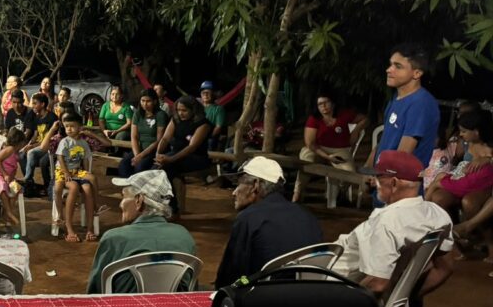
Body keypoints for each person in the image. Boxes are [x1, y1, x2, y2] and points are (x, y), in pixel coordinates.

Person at [334, 150, 454, 307]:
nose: (373, 181)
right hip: (367, 276)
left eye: (379, 177)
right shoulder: (437, 214)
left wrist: (345, 306)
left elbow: (378, 283)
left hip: (336, 280)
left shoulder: (388, 223)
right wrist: (405, 296)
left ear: (395, 183)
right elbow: (445, 267)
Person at [214, 157, 323, 288]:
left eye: (238, 184)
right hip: (310, 297)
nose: (234, 192)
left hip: (266, 301)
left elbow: (231, 278)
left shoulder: (248, 218)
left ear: (255, 185)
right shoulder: (307, 216)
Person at [87, 170, 197, 293]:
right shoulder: (184, 236)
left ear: (139, 200)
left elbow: (95, 292)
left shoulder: (114, 238)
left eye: (124, 196)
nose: (120, 204)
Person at [375, 43, 441, 170]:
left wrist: (384, 179)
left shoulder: (421, 103)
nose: (389, 70)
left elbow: (403, 154)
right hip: (382, 180)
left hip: (400, 184)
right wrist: (368, 171)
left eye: (398, 66)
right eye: (391, 64)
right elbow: (384, 141)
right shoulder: (396, 98)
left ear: (416, 73)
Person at [426, 110, 493, 214]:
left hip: (477, 184)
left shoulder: (489, 147)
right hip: (462, 178)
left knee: (438, 184)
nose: (461, 134)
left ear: (476, 132)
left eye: (464, 131)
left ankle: (422, 210)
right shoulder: (467, 143)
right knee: (438, 194)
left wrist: (487, 159)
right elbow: (454, 158)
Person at [54, 112, 97, 243]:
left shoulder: (83, 143)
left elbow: (85, 161)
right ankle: (69, 228)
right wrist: (66, 173)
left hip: (77, 172)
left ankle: (90, 227)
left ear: (80, 127)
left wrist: (84, 175)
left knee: (89, 186)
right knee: (73, 187)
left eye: (72, 126)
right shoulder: (64, 141)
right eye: (67, 126)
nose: (69, 129)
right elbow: (60, 157)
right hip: (64, 171)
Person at [155, 95, 212, 185]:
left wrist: (171, 159)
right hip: (175, 153)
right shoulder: (176, 119)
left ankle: (170, 197)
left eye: (184, 110)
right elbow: (165, 138)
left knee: (168, 168)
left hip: (196, 157)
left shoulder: (203, 124)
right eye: (178, 110)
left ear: (193, 110)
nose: (180, 113)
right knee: (156, 167)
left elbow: (192, 147)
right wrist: (158, 153)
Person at [299, 93, 365, 171]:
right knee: (306, 162)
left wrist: (355, 131)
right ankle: (299, 183)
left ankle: (340, 183)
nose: (323, 106)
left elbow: (365, 119)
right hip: (317, 149)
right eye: (320, 104)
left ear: (333, 104)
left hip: (340, 150)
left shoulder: (344, 114)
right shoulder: (314, 119)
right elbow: (310, 143)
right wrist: (327, 157)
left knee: (350, 171)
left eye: (326, 102)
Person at [118, 89, 170, 177]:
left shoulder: (160, 115)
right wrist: (137, 155)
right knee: (124, 165)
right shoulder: (137, 114)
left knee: (140, 167)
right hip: (140, 149)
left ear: (154, 101)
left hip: (154, 151)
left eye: (148, 101)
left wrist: (141, 156)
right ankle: (128, 187)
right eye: (143, 101)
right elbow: (134, 136)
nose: (145, 104)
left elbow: (159, 140)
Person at [0, 127, 27, 227]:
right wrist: (4, 174)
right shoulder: (9, 149)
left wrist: (11, 178)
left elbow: (13, 167)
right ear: (19, 142)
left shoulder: (15, 152)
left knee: (16, 189)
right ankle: (9, 213)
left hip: (8, 177)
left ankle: (5, 214)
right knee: (2, 185)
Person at [21, 92, 57, 194]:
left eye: (35, 103)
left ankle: (27, 179)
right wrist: (28, 144)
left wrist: (32, 146)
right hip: (40, 145)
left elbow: (50, 139)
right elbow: (36, 135)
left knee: (31, 153)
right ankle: (30, 184)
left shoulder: (51, 117)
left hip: (49, 146)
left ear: (42, 104)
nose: (33, 106)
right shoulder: (37, 118)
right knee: (22, 154)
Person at [199, 81, 227, 151]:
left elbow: (218, 127)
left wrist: (208, 137)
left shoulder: (218, 109)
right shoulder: (197, 107)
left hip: (210, 137)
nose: (205, 95)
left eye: (208, 93)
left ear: (213, 94)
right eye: (203, 93)